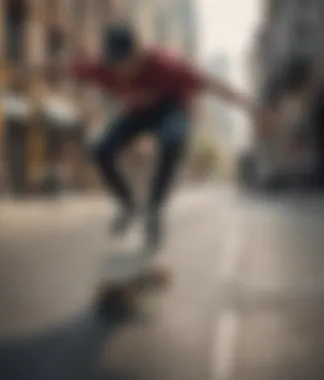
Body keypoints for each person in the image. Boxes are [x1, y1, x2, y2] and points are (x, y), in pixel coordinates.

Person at [28, 22, 270, 254]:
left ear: (139, 53)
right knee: (101, 150)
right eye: (117, 65)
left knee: (172, 138)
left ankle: (154, 209)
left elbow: (212, 84)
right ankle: (128, 203)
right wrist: (30, 68)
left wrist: (251, 109)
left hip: (172, 109)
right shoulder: (102, 68)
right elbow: (64, 68)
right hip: (138, 112)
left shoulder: (166, 65)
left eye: (128, 63)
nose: (123, 72)